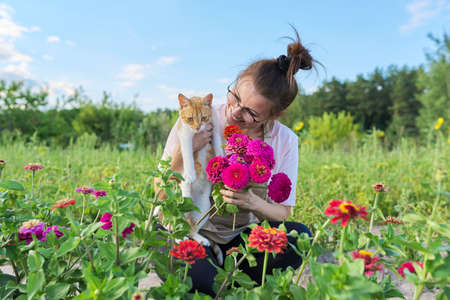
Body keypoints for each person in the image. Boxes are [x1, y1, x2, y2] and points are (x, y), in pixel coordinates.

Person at [156, 29, 316, 297]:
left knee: (299, 237)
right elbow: (159, 192)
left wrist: (251, 202)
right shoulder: (199, 116)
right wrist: (185, 153)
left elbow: (283, 214)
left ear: (277, 114)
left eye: (250, 112)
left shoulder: (285, 140)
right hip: (185, 227)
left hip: (238, 235)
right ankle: (217, 275)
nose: (234, 111)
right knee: (204, 284)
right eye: (234, 96)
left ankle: (232, 274)